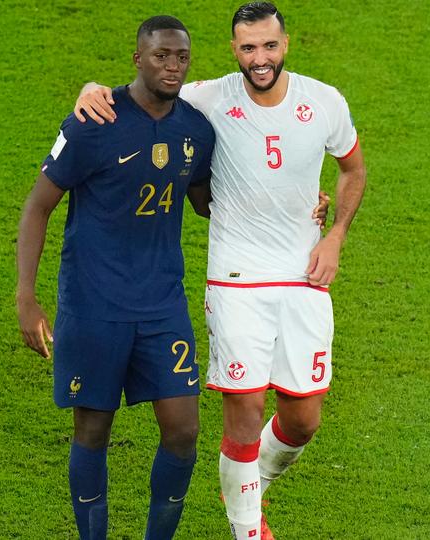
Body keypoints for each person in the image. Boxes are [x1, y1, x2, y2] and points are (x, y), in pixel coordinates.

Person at [74, 3, 366, 538]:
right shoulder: (208, 97)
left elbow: (353, 168)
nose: (260, 59)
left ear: (286, 45)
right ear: (234, 49)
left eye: (269, 46)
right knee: (246, 408)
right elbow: (141, 90)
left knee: (303, 420)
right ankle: (249, 529)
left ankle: (247, 482)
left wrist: (336, 235)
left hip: (304, 275)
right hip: (237, 279)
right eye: (248, 48)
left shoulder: (324, 102)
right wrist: (92, 87)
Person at [16, 16, 216, 540]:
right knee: (93, 429)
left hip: (162, 305)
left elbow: (206, 203)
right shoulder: (92, 121)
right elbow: (38, 207)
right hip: (93, 305)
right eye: (160, 56)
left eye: (181, 57)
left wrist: (290, 205)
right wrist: (26, 297)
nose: (172, 66)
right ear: (137, 59)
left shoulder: (195, 129)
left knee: (184, 431)